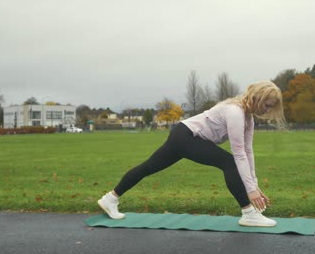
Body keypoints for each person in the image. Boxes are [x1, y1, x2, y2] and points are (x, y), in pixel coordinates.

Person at [98, 81, 286, 227]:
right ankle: (249, 214)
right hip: (186, 137)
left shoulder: (247, 117)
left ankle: (110, 198)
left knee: (148, 167)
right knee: (229, 162)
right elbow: (239, 154)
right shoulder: (235, 112)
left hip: (184, 136)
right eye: (267, 105)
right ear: (258, 98)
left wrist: (254, 185)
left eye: (270, 107)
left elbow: (248, 151)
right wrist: (250, 190)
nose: (267, 110)